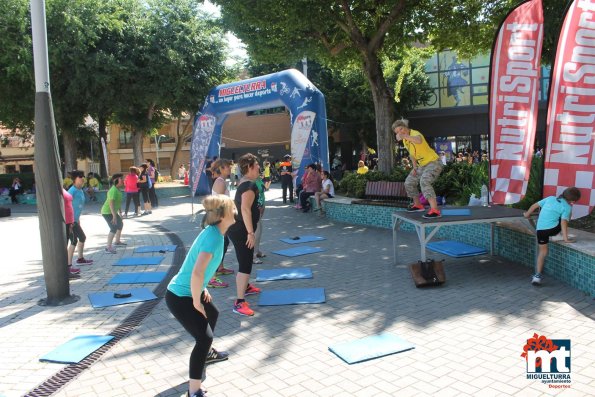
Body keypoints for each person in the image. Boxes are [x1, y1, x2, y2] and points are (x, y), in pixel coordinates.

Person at [166, 195, 235, 397]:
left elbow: (198, 268)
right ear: (223, 215)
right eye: (232, 207)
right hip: (179, 296)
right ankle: (194, 390)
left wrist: (202, 288)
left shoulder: (216, 233)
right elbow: (196, 272)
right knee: (204, 338)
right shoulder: (213, 237)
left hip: (190, 290)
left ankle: (207, 355)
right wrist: (196, 300)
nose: (235, 210)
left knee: (213, 313)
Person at [523, 187, 581, 286]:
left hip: (540, 230)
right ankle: (558, 235)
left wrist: (527, 214)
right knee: (565, 217)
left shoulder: (550, 198)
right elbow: (563, 223)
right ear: (572, 201)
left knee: (542, 252)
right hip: (552, 230)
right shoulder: (567, 207)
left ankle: (537, 276)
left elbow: (534, 206)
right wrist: (566, 238)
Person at [227, 153, 262, 316]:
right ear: (249, 168)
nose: (259, 168)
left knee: (245, 260)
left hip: (238, 228)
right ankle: (239, 303)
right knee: (245, 264)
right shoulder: (249, 186)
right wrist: (250, 233)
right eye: (257, 166)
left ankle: (246, 287)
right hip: (241, 230)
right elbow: (245, 209)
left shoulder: (245, 182)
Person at [393, 119, 444, 219]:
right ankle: (418, 205)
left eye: (401, 129)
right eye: (397, 132)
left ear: (405, 127)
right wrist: (415, 167)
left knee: (424, 181)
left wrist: (404, 136)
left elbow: (419, 140)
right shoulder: (405, 141)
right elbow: (412, 154)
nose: (400, 133)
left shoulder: (415, 133)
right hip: (422, 166)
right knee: (409, 182)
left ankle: (435, 210)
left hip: (433, 162)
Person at [208, 158, 234, 289]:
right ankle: (211, 277)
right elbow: (219, 203)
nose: (230, 169)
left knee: (224, 243)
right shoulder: (220, 182)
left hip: (220, 219)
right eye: (228, 167)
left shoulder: (222, 181)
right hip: (219, 219)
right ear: (222, 168)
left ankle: (220, 267)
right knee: (218, 246)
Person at [67, 170, 93, 268]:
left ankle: (80, 259)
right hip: (69, 221)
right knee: (74, 241)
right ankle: (69, 266)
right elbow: (66, 206)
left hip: (75, 220)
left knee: (82, 237)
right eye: (80, 176)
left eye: (83, 176)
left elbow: (77, 207)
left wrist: (77, 220)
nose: (82, 178)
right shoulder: (71, 191)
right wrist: (69, 223)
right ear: (74, 179)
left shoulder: (80, 190)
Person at [101, 173, 126, 253]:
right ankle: (108, 247)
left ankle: (117, 241)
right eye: (121, 179)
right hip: (107, 212)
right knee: (113, 227)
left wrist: (120, 212)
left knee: (120, 224)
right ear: (116, 180)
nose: (123, 180)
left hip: (112, 212)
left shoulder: (118, 190)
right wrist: (114, 216)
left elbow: (117, 203)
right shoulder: (113, 190)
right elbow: (111, 203)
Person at [63, 188, 81, 279]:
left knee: (66, 246)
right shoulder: (55, 190)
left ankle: (67, 270)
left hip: (69, 222)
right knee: (63, 247)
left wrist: (71, 221)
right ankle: (65, 272)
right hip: (64, 222)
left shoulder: (62, 189)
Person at [253, 174, 266, 263]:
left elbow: (262, 192)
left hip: (261, 207)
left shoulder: (258, 179)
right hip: (256, 208)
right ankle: (252, 255)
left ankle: (257, 251)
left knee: (259, 231)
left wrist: (263, 206)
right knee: (256, 233)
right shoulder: (251, 181)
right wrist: (258, 207)